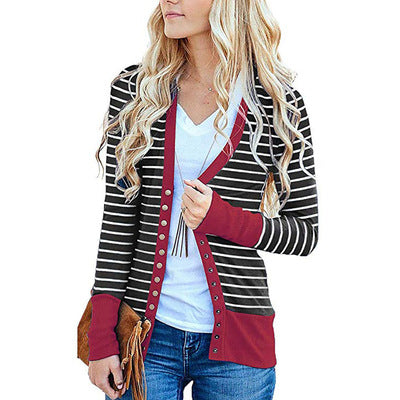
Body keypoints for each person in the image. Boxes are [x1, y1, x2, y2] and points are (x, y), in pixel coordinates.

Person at [86, 0, 319, 399]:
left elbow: (305, 233)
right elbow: (117, 223)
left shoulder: (277, 103)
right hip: (146, 336)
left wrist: (223, 218)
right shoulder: (137, 90)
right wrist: (100, 335)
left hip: (238, 348)